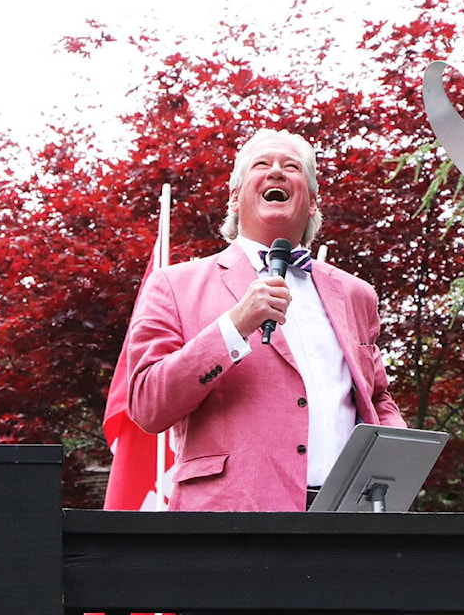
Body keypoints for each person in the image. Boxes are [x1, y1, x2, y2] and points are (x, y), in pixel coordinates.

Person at [126, 128, 406, 511]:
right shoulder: (175, 285)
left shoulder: (356, 294)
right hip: (230, 518)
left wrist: (398, 460)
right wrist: (234, 326)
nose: (277, 172)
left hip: (348, 519)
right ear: (235, 198)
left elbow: (376, 397)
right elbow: (147, 404)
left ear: (311, 204)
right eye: (262, 164)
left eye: (292, 167)